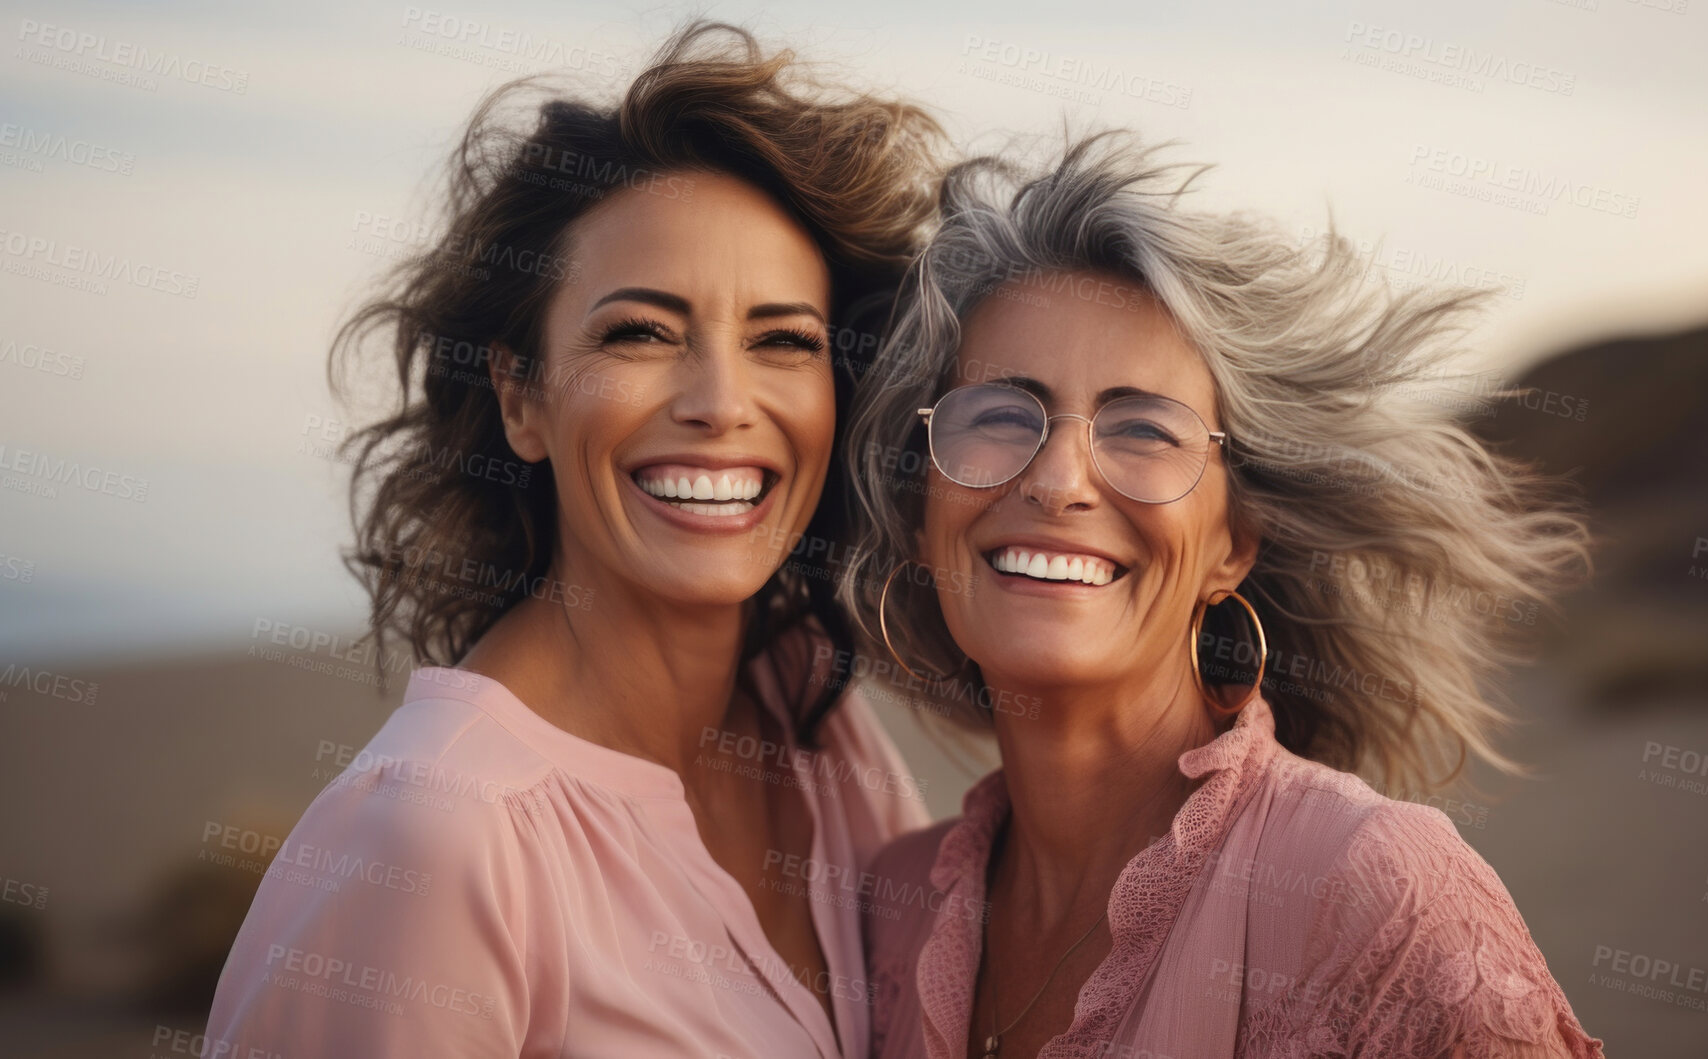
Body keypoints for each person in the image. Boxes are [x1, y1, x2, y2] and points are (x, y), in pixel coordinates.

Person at [206, 22, 943, 1057]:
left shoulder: (812, 714)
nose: (721, 404)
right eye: (638, 332)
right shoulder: (437, 837)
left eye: (783, 341)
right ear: (521, 397)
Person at [840, 135, 1605, 1057]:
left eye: (1144, 429)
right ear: (924, 508)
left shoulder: (1369, 892)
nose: (1058, 481)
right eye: (1001, 414)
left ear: (1230, 545)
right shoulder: (889, 905)